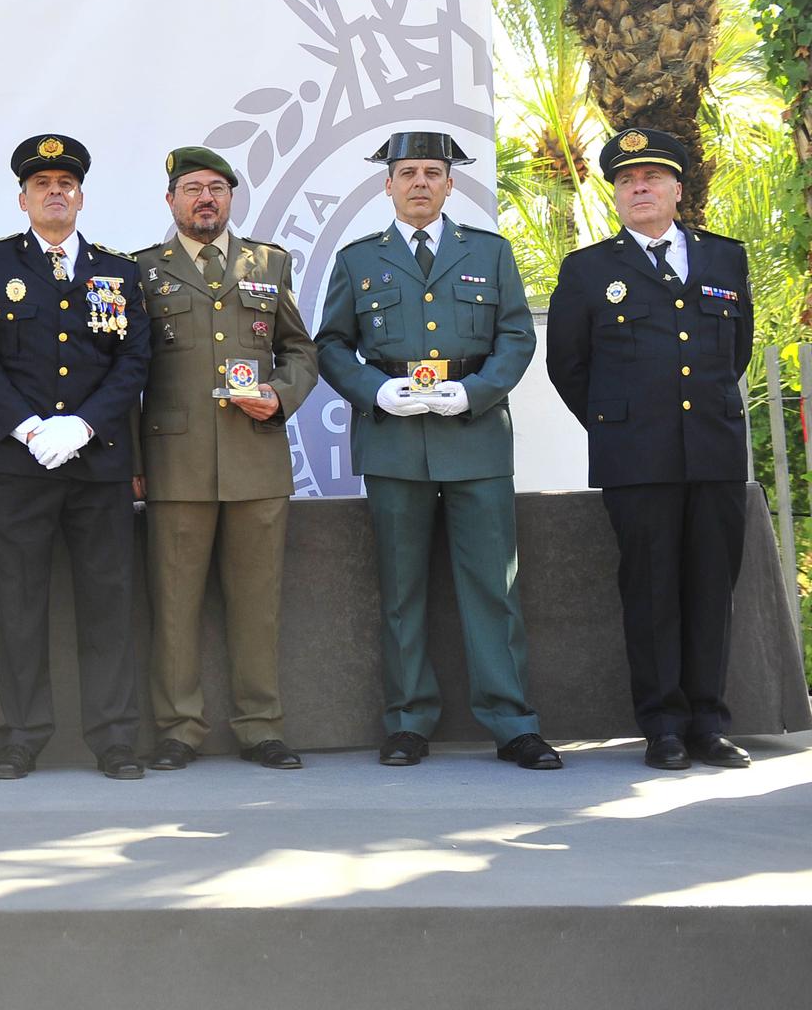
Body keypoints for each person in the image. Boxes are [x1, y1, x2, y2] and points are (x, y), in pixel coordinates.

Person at [313, 130, 561, 770]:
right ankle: (407, 722)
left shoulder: (490, 251)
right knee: (402, 591)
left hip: (474, 437)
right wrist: (376, 391)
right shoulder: (357, 259)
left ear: (451, 184)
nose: (419, 182)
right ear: (386, 185)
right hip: (394, 440)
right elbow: (332, 344)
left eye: (432, 171)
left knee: (493, 588)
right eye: (407, 172)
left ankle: (513, 724)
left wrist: (475, 392)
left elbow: (515, 336)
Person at [547, 127, 754, 770]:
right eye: (627, 180)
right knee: (652, 589)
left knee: (711, 587)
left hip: (714, 452)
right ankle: (663, 725)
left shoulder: (725, 258)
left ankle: (708, 724)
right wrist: (622, 425)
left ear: (677, 190)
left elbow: (737, 349)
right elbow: (568, 366)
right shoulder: (588, 270)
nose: (640, 188)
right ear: (615, 194)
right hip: (637, 458)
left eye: (653, 177)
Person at [0, 134, 150, 781]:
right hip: (19, 462)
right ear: (23, 197)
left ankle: (116, 737)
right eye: (42, 184)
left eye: (66, 182)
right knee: (20, 602)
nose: (55, 191)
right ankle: (21, 735)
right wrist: (31, 427)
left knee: (108, 603)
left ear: (82, 196)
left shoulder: (119, 271)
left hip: (98, 464)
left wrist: (85, 425)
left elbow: (134, 361)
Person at [133, 146, 317, 771]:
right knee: (175, 605)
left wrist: (280, 394)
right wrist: (134, 460)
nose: (205, 198)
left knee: (257, 604)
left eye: (217, 188)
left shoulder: (268, 263)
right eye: (192, 188)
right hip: (174, 465)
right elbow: (128, 374)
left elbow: (299, 351)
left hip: (255, 461)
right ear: (171, 201)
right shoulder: (141, 272)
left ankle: (261, 727)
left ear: (231, 198)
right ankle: (178, 728)